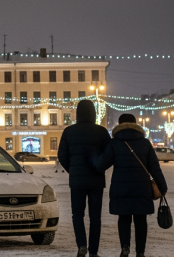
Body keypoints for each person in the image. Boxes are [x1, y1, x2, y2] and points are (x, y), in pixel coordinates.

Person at [96, 114, 167, 257]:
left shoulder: (115, 143)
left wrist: (91, 155)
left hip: (120, 187)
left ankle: (125, 248)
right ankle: (140, 252)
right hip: (142, 187)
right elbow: (155, 167)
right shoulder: (145, 143)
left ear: (119, 124)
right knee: (141, 219)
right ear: (136, 125)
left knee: (124, 219)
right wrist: (162, 186)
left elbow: (101, 164)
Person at [57, 100, 111, 257]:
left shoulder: (69, 131)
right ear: (93, 113)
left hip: (77, 182)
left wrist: (72, 170)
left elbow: (62, 155)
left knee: (77, 215)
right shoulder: (101, 131)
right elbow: (109, 155)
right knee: (95, 218)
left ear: (78, 113)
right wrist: (100, 167)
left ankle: (81, 245)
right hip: (96, 181)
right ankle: (93, 251)